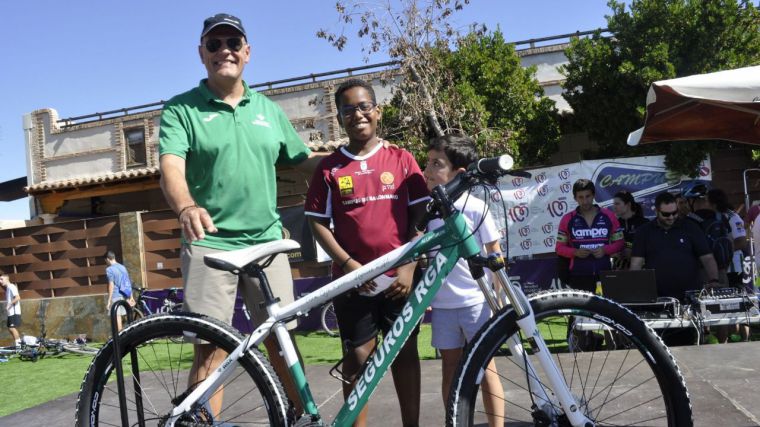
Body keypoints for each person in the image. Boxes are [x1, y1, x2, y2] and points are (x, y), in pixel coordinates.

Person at [158, 13, 327, 417]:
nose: (224, 51)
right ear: (202, 54)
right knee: (210, 346)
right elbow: (170, 169)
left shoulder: (268, 110)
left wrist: (353, 161)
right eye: (213, 45)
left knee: (281, 341)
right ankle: (200, 424)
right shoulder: (181, 110)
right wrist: (186, 206)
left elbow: (304, 161)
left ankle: (302, 419)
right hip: (210, 244)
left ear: (247, 52)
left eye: (232, 43)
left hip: (268, 242)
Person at [304, 78, 428, 427]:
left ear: (377, 111)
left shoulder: (401, 159)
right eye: (347, 110)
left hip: (399, 278)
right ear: (339, 119)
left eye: (363, 107)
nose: (357, 115)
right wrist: (349, 266)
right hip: (353, 281)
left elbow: (421, 217)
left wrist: (408, 266)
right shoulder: (329, 168)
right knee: (358, 358)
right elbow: (318, 224)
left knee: (405, 352)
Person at [422, 134, 504, 426]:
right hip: (443, 308)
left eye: (436, 164)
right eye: (427, 162)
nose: (427, 170)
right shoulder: (429, 211)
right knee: (450, 369)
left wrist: (498, 301)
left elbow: (494, 252)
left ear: (459, 174)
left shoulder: (474, 207)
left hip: (476, 303)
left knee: (486, 368)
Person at [630, 192, 721, 298]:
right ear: (656, 211)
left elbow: (707, 257)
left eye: (674, 213)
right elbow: (636, 263)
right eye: (666, 214)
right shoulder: (644, 231)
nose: (671, 217)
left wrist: (714, 280)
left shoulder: (691, 227)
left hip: (690, 294)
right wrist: (634, 289)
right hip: (658, 295)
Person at [555, 179, 624, 292]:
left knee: (605, 309)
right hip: (578, 275)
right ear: (575, 198)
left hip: (605, 274)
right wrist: (575, 252)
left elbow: (620, 243)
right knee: (582, 310)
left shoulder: (609, 216)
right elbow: (559, 248)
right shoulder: (567, 219)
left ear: (594, 195)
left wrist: (605, 250)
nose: (585, 201)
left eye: (588, 196)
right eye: (580, 197)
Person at [612, 190, 648, 270]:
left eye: (617, 204)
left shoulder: (644, 223)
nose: (614, 207)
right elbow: (610, 247)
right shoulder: (614, 224)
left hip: (641, 270)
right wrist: (615, 253)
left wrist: (634, 253)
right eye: (614, 204)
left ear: (628, 204)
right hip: (619, 270)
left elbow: (651, 248)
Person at [105, 251, 135, 332]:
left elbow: (111, 285)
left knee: (117, 317)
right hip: (125, 295)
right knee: (126, 317)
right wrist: (131, 297)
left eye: (106, 261)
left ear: (108, 259)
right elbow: (127, 282)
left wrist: (109, 300)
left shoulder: (109, 269)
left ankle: (120, 338)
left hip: (115, 296)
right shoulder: (123, 267)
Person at [1, 275, 21, 349]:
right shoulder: (8, 288)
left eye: (1, 279)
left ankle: (19, 346)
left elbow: (18, 297)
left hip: (14, 312)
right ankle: (18, 344)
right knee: (10, 328)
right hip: (11, 312)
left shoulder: (11, 286)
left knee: (12, 328)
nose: (0, 281)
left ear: (7, 279)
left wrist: (9, 304)